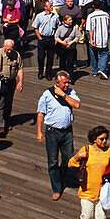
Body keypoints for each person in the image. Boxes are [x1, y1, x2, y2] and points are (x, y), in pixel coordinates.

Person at [68, 126, 110, 219]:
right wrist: (78, 156)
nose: (104, 141)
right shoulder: (86, 150)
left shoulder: (109, 151)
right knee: (87, 215)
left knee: (101, 218)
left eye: (106, 139)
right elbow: (71, 163)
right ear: (94, 139)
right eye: (102, 139)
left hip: (102, 193)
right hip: (87, 190)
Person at [37, 71, 81, 202]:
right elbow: (40, 113)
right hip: (52, 132)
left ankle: (61, 177)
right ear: (57, 83)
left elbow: (77, 104)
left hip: (67, 131)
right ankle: (56, 188)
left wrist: (63, 95)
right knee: (53, 160)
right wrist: (39, 131)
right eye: (64, 83)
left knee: (69, 158)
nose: (67, 84)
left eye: (68, 82)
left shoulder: (70, 92)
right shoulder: (47, 95)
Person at [0, 39, 24, 138]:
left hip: (11, 82)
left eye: (10, 50)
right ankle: (0, 126)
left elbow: (20, 69)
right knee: (0, 103)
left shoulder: (16, 55)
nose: (9, 52)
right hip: (0, 82)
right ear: (4, 46)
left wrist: (20, 81)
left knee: (8, 103)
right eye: (7, 49)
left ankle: (7, 122)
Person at [33, 1, 60, 80]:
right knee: (41, 56)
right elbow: (35, 27)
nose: (52, 7)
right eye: (50, 6)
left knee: (50, 57)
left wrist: (55, 37)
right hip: (43, 38)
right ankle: (40, 71)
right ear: (45, 7)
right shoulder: (39, 16)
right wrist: (39, 38)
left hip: (51, 38)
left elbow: (58, 26)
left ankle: (48, 72)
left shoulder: (55, 16)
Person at [85, 2, 110, 80]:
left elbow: (90, 29)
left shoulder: (91, 16)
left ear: (93, 6)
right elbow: (108, 25)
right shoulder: (106, 15)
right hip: (104, 38)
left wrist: (91, 39)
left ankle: (95, 70)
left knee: (93, 54)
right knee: (104, 53)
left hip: (95, 38)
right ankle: (102, 69)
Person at [55, 13, 81, 78]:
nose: (71, 21)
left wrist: (71, 42)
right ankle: (61, 77)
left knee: (70, 63)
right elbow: (56, 37)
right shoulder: (60, 28)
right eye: (69, 20)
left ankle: (70, 77)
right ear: (65, 21)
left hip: (71, 48)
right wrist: (62, 42)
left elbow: (77, 36)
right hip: (62, 48)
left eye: (71, 20)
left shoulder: (74, 28)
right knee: (62, 63)